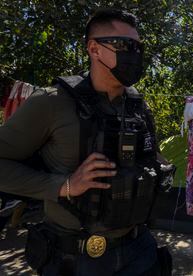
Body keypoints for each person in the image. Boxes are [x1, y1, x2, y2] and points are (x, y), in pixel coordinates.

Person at [0, 9, 166, 275]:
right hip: (75, 258)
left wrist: (157, 167)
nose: (134, 55)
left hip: (139, 251)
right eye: (124, 45)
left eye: (138, 47)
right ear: (94, 49)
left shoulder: (139, 107)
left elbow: (150, 156)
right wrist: (64, 185)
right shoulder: (52, 103)